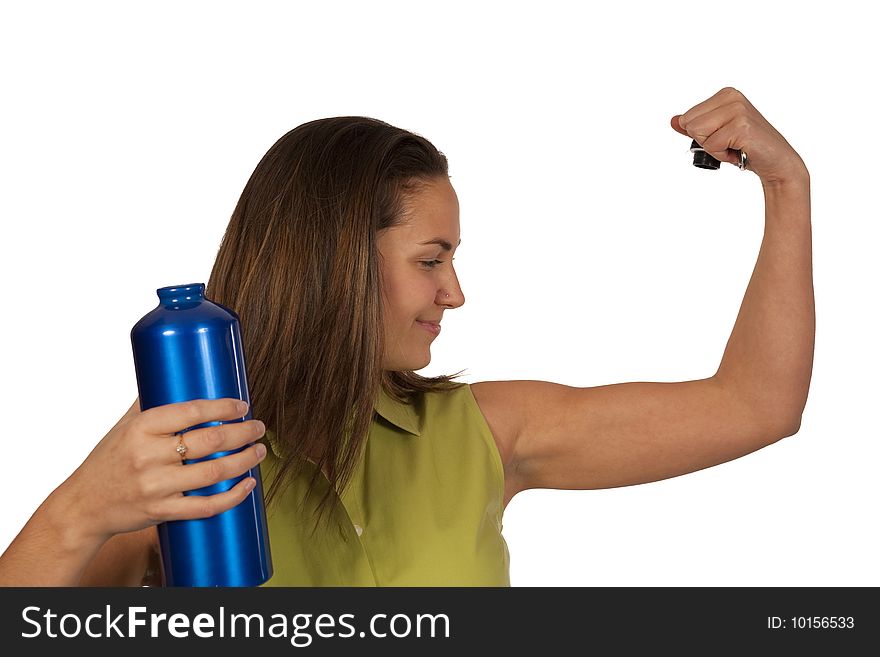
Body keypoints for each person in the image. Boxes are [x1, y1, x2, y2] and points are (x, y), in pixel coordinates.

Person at [0, 87, 814, 586]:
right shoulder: (184, 471)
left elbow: (757, 405)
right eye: (432, 259)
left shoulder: (487, 435)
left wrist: (788, 185)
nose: (455, 292)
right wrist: (77, 510)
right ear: (336, 267)